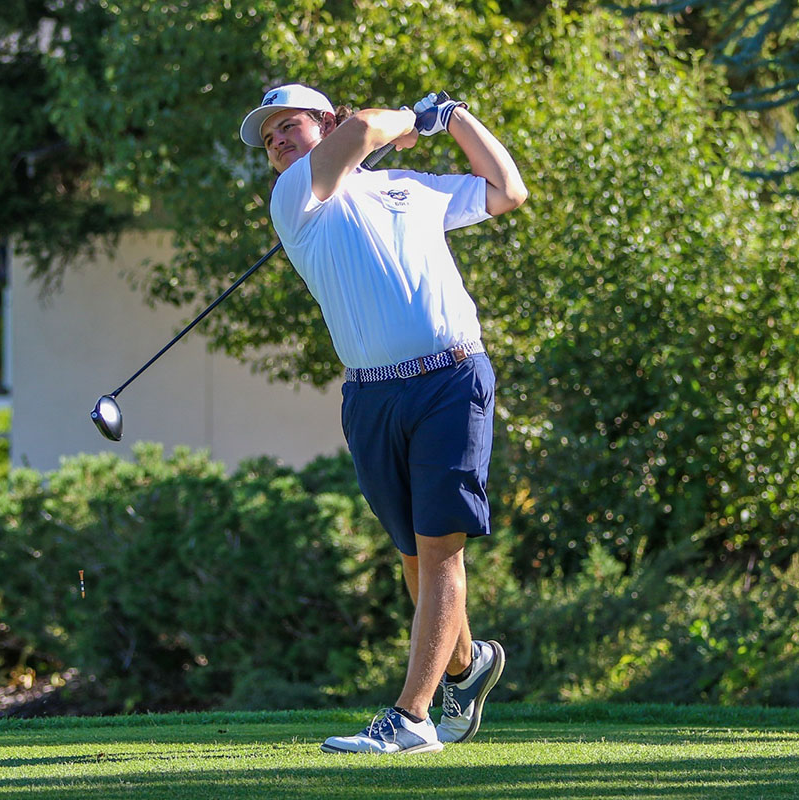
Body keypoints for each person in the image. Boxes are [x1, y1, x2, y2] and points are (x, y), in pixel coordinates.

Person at [239, 83, 528, 755]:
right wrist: (410, 120)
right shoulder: (295, 199)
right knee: (412, 555)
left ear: (325, 123)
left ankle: (413, 716)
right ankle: (465, 665)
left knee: (439, 549)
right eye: (270, 136)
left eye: (290, 125)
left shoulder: (409, 189)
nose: (277, 140)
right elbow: (369, 125)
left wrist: (453, 117)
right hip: (371, 396)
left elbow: (507, 190)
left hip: (452, 377)